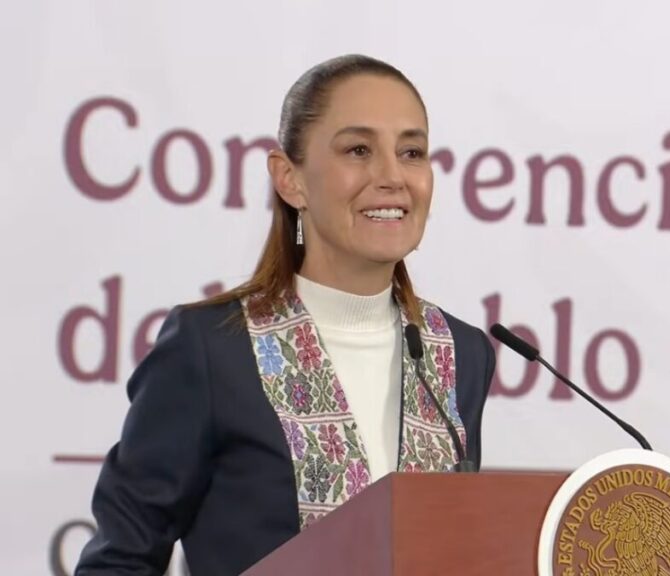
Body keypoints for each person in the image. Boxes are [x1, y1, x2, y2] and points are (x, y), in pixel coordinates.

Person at [76, 54, 495, 575]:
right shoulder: (212, 348)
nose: (392, 176)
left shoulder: (459, 352)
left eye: (411, 152)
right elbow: (118, 561)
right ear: (290, 179)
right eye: (358, 150)